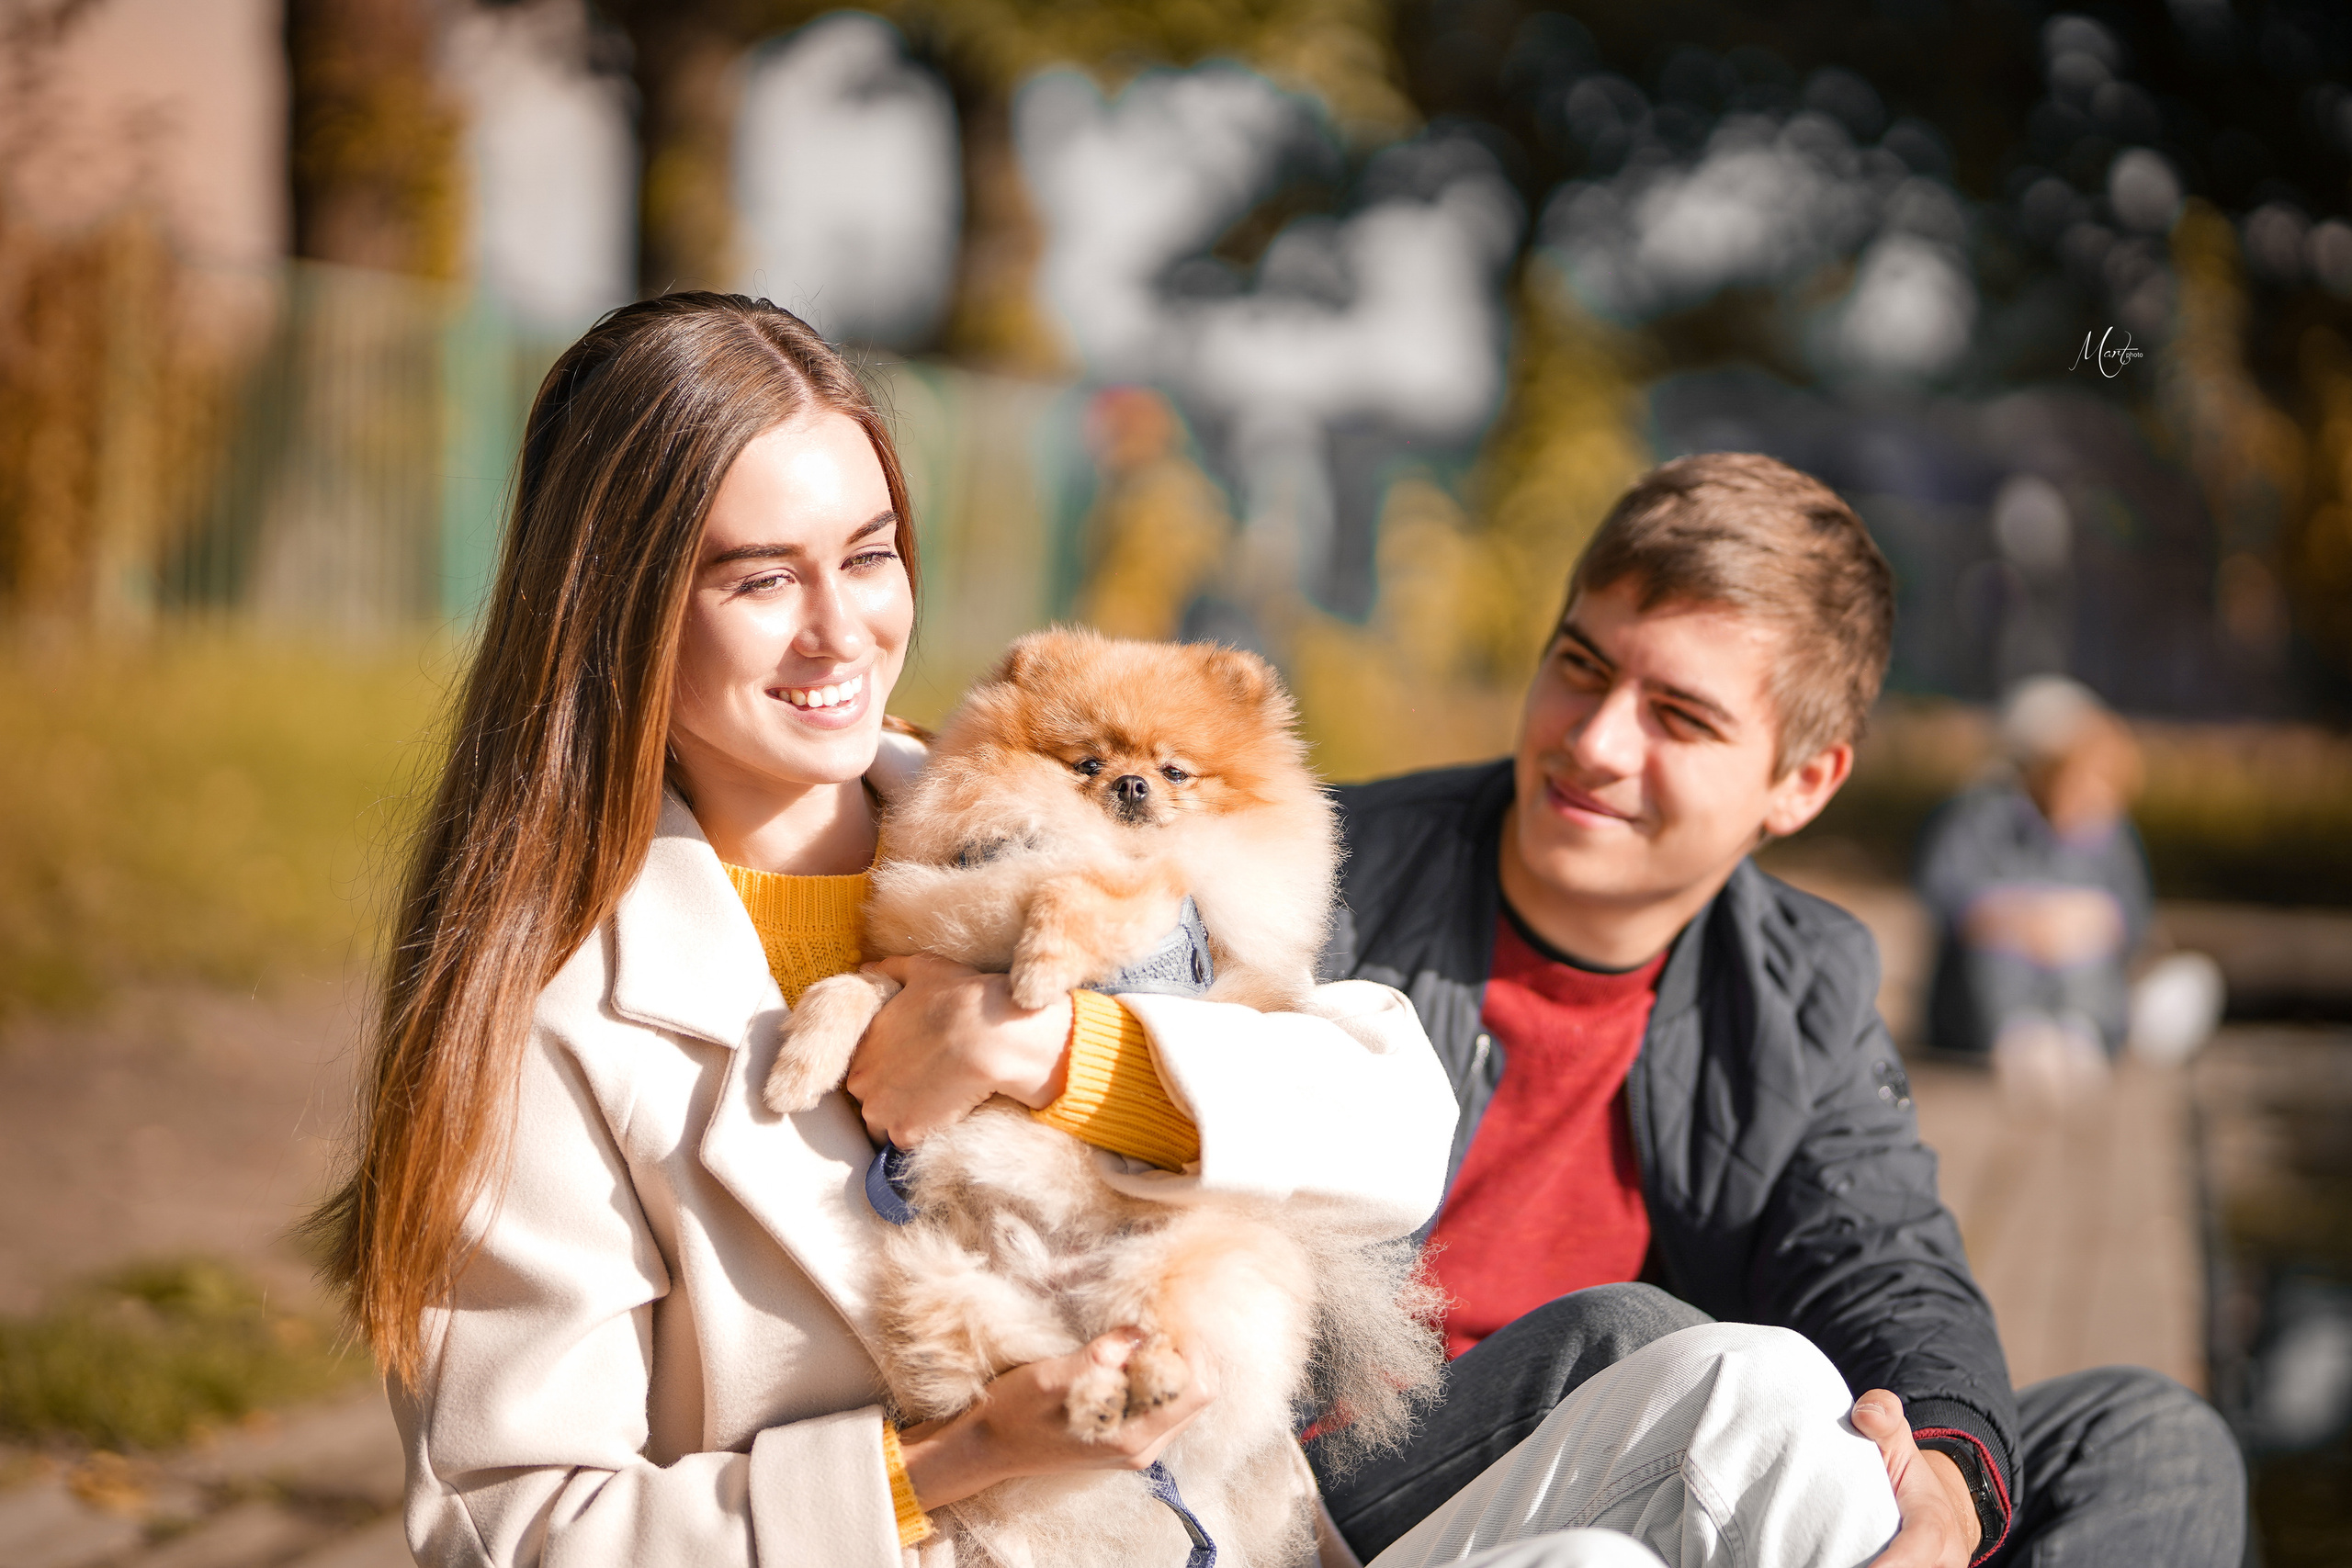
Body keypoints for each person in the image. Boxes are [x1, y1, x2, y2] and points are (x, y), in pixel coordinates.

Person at [311, 298, 1902, 1568]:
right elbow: (515, 1527)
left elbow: (1395, 1122)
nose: (841, 630)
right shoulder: (551, 1012)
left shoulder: (1046, 799)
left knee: (1756, 1397)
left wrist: (1067, 1053)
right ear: (621, 605)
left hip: (1248, 1534)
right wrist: (964, 1457)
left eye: (868, 556)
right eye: (756, 580)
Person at [1309, 454, 2246, 1568]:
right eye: (1580, 665)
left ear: (1801, 784)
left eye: (1678, 716)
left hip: (1684, 1462)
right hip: (1334, 1491)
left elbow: (1879, 1255)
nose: (1596, 742)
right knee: (1651, 1345)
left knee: (2146, 1441)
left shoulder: (1802, 981)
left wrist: (1941, 1487)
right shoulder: (1320, 878)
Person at [1917, 677, 2222, 1100]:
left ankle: (2083, 1036)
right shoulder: (1979, 815)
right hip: (1978, 1012)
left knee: (2094, 947)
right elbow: (1945, 900)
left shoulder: (2112, 833)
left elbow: (2134, 921)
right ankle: (2020, 1040)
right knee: (2004, 950)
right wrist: (2020, 920)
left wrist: (2089, 923)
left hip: (2076, 1002)